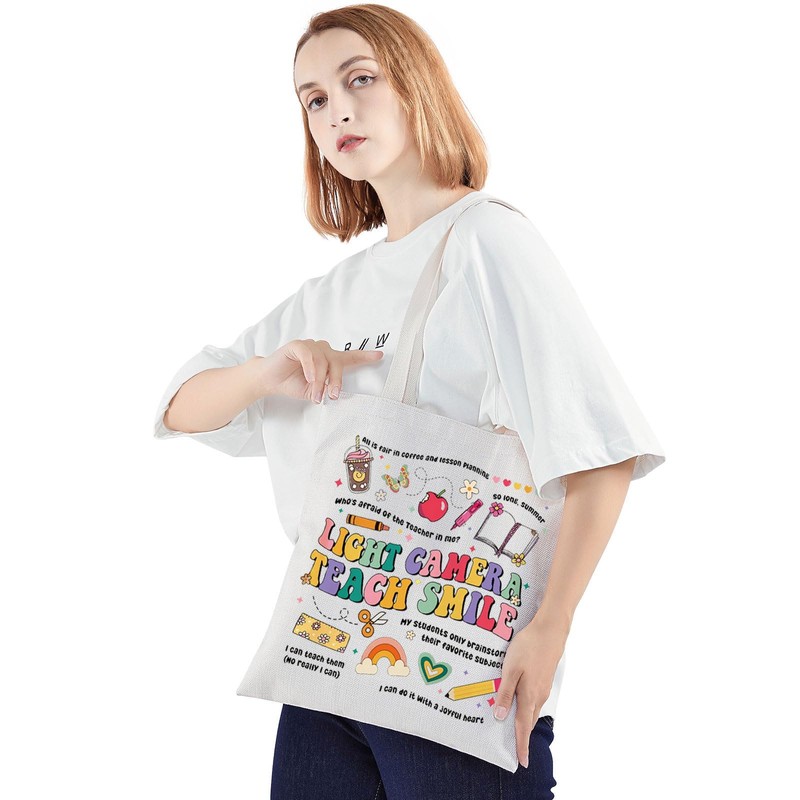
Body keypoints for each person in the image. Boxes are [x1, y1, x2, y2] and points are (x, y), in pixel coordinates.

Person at [153, 5, 666, 798]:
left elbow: (600, 449)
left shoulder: (489, 241)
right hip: (326, 666)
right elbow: (179, 407)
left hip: (460, 666)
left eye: (359, 80)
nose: (337, 112)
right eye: (314, 99)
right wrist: (267, 371)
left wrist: (550, 627)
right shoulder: (335, 292)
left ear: (417, 84)